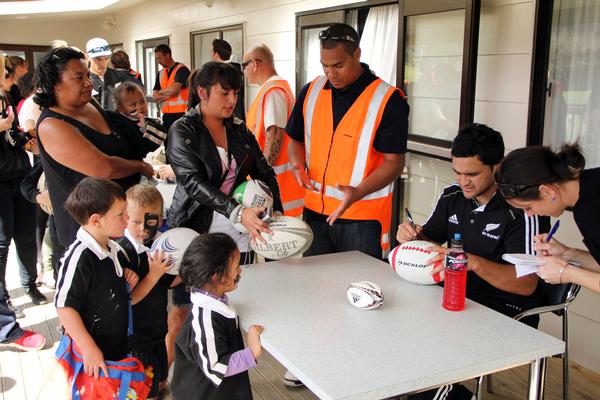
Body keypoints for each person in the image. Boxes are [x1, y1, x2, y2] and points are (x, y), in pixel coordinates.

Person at [396, 124, 549, 400]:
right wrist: (409, 237)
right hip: (453, 298)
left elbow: (526, 285)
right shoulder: (453, 196)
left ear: (496, 167)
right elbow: (428, 244)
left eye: (472, 174)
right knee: (394, 335)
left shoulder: (522, 208)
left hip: (504, 311)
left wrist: (474, 263)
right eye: (457, 171)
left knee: (425, 368)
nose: (463, 181)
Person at [165, 61, 282, 370]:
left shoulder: (239, 130)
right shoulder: (183, 131)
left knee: (229, 304)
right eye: (224, 92)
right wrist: (236, 210)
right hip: (196, 231)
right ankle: (169, 374)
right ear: (202, 92)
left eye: (236, 93)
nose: (232, 100)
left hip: (238, 234)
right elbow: (192, 182)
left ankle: (225, 367)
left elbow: (265, 171)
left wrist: (277, 209)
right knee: (184, 310)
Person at [286, 23, 409, 260]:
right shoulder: (310, 91)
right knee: (316, 289)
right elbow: (295, 140)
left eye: (338, 65)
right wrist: (297, 165)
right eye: (325, 66)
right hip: (314, 215)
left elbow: (394, 162)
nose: (331, 74)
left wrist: (357, 192)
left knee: (360, 289)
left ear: (357, 55)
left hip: (361, 220)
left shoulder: (387, 100)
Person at [34, 46, 155, 248]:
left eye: (88, 75)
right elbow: (103, 168)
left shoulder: (89, 103)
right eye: (78, 77)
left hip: (123, 220)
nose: (88, 83)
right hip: (90, 234)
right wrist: (140, 166)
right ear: (55, 83)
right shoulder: (51, 125)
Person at [495, 143, 600, 295]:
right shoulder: (589, 186)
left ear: (547, 191)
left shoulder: (591, 210)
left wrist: (566, 273)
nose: (530, 215)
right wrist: (566, 253)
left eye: (528, 207)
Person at [171, 233, 264, 400]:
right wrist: (252, 352)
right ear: (217, 277)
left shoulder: (214, 302)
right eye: (236, 266)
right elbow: (216, 367)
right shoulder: (205, 319)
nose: (240, 270)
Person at [55, 177, 132, 378]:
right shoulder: (79, 257)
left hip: (117, 345)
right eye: (120, 215)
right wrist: (89, 348)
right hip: (93, 355)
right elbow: (64, 307)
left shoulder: (112, 246)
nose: (127, 219)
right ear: (96, 220)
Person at [116, 184, 178, 399]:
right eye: (136, 222)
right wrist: (154, 273)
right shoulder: (121, 253)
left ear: (160, 221)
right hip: (136, 340)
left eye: (150, 222)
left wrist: (193, 267)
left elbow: (169, 281)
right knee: (142, 390)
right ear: (124, 217)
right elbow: (128, 300)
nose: (143, 228)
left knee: (160, 381)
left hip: (158, 333)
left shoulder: (158, 245)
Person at [1, 52, 46, 315]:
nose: (8, 76)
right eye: (4, 71)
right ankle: (4, 297)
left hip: (19, 172)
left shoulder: (8, 94)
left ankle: (30, 285)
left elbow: (13, 133)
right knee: (2, 241)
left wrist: (25, 137)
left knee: (26, 236)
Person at [243, 44, 304, 217]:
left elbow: (275, 134)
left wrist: (262, 179)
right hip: (281, 187)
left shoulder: (273, 92)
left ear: (254, 63)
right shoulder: (274, 89)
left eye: (244, 65)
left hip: (280, 189)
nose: (244, 71)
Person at [86, 37, 139, 111]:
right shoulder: (84, 81)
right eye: (98, 59)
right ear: (88, 57)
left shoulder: (121, 76)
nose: (102, 63)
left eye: (106, 58)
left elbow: (138, 98)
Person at [152, 44, 190, 131]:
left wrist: (160, 92)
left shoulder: (181, 69)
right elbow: (154, 97)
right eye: (157, 58)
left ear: (168, 56)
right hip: (166, 116)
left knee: (179, 143)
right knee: (168, 142)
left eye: (160, 58)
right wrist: (169, 94)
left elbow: (174, 90)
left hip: (181, 115)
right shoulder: (160, 73)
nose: (158, 61)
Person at [212, 39, 245, 122]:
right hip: (237, 116)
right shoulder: (236, 69)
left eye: (212, 51)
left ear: (216, 54)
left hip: (226, 117)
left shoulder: (219, 73)